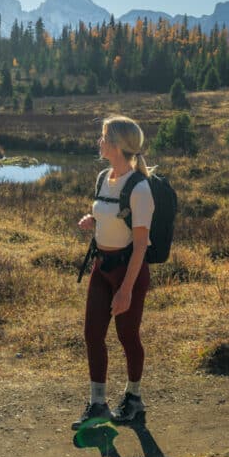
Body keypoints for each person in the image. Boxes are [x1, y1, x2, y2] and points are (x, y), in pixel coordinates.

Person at [72, 115, 154, 429]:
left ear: (117, 145)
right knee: (92, 334)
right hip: (101, 268)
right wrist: (93, 221)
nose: (99, 141)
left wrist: (126, 290)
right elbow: (108, 213)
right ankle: (98, 404)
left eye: (104, 136)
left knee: (127, 336)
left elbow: (142, 243)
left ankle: (134, 398)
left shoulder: (140, 187)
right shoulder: (104, 176)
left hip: (127, 272)